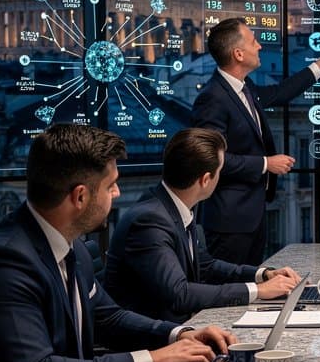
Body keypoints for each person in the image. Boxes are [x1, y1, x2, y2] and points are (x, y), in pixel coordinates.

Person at [0, 124, 236, 362]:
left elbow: (108, 318)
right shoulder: (3, 263)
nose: (117, 193)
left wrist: (179, 335)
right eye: (111, 186)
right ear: (81, 196)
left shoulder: (69, 246)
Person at [191, 17, 320, 265]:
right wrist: (266, 164)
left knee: (249, 286)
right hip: (229, 222)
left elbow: (279, 93)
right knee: (228, 291)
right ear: (238, 54)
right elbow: (213, 160)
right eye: (254, 41)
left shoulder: (244, 88)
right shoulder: (212, 98)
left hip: (250, 216)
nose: (259, 46)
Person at [106, 128, 302, 323]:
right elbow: (180, 294)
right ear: (205, 180)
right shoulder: (149, 220)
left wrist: (263, 275)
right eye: (219, 172)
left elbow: (206, 266)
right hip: (156, 339)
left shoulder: (172, 205)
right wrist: (258, 291)